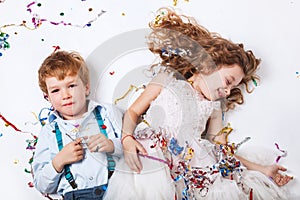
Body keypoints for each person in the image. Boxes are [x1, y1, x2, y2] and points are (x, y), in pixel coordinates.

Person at [104, 7, 293, 200]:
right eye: (228, 82)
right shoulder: (167, 79)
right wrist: (127, 139)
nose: (228, 91)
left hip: (194, 165)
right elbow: (133, 112)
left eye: (232, 87)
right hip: (153, 154)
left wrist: (262, 169)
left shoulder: (214, 107)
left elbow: (222, 150)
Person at [32, 50, 123, 200]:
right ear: (48, 98)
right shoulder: (49, 132)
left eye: (71, 86)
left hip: (116, 192)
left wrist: (112, 145)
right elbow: (41, 184)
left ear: (86, 88)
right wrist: (58, 161)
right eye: (56, 90)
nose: (65, 95)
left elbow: (134, 150)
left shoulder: (107, 113)